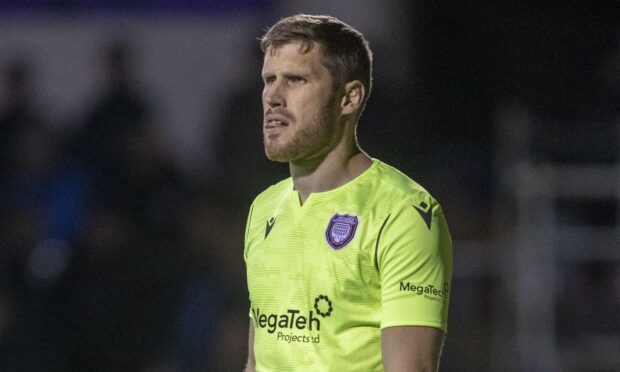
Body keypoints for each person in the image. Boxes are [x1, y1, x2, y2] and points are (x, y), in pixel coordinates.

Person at [244, 14, 452, 371]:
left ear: (349, 97)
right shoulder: (264, 208)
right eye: (268, 80)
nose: (273, 97)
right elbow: (257, 363)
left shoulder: (403, 212)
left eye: (295, 79)